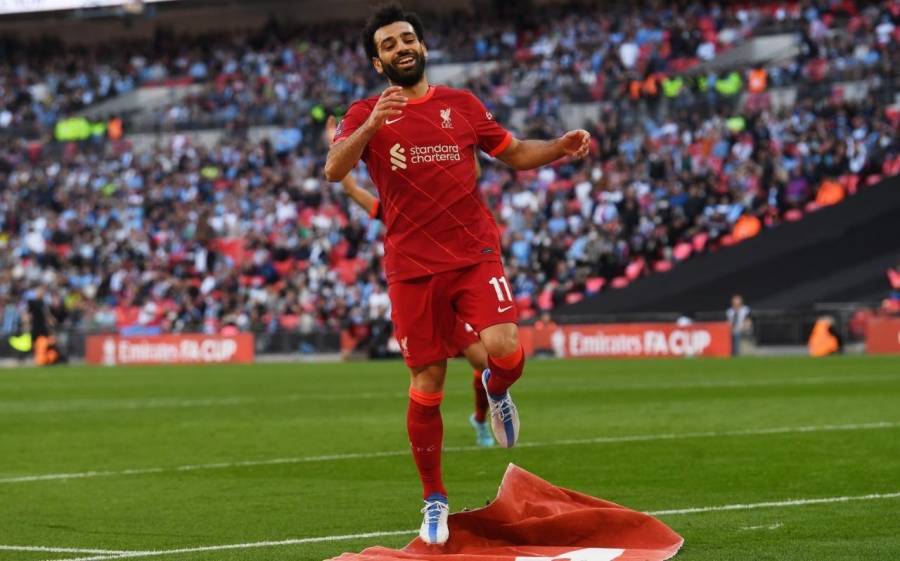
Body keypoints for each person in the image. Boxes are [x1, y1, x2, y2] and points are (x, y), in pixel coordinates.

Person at [325, 4, 590, 545]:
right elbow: (334, 169)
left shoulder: (462, 105)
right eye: (388, 45)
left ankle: (496, 387)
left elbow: (514, 152)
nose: (401, 48)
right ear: (377, 63)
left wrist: (558, 149)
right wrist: (371, 125)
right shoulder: (364, 113)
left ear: (422, 46)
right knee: (427, 385)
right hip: (411, 269)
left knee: (506, 349)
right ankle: (434, 499)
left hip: (473, 254)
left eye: (407, 39)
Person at [326, 115, 495, 449]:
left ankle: (480, 419)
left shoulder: (448, 200)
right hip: (418, 289)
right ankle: (454, 434)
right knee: (427, 378)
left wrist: (464, 138)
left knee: (485, 362)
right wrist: (336, 144)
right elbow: (352, 188)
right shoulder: (395, 210)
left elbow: (471, 173)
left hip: (453, 287)